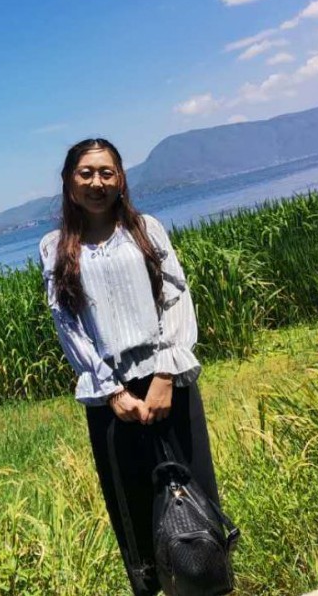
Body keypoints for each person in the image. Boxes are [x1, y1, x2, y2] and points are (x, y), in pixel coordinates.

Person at [39, 137, 221, 596]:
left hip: (168, 382)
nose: (97, 182)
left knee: (195, 499)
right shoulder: (55, 247)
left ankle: (209, 583)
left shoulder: (145, 229)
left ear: (120, 178)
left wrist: (164, 375)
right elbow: (67, 322)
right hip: (111, 399)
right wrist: (114, 392)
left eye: (107, 172)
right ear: (69, 182)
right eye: (86, 173)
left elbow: (176, 296)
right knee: (135, 511)